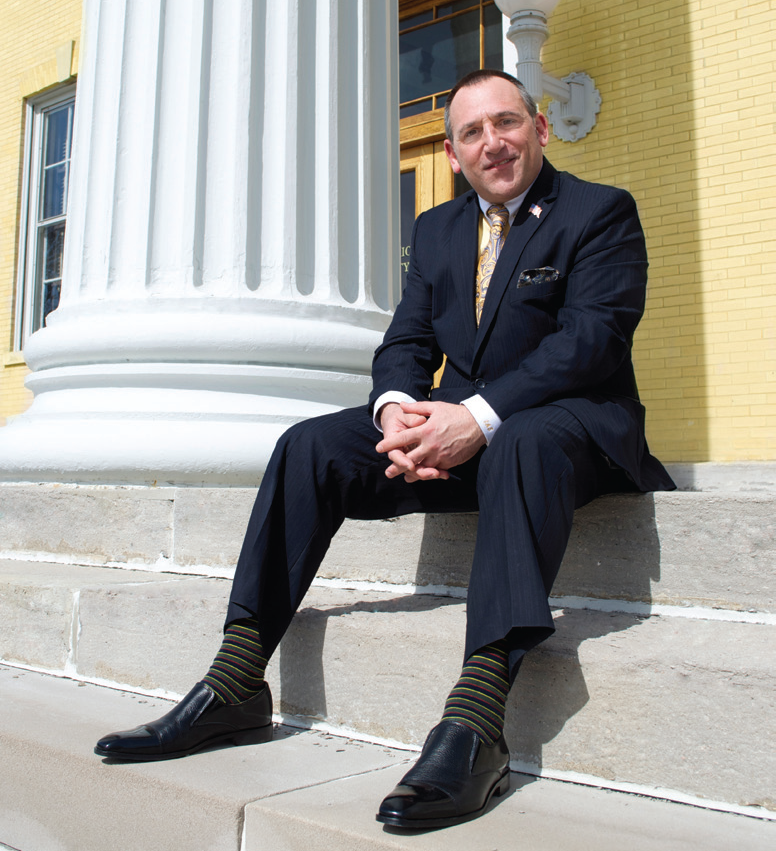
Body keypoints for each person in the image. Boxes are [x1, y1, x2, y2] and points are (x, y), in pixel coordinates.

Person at [95, 69, 674, 829]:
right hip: (460, 437)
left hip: (570, 433)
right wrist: (402, 412)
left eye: (506, 122)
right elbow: (406, 339)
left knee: (524, 437)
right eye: (473, 132)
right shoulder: (437, 229)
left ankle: (475, 721)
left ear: (538, 127)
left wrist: (477, 415)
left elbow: (590, 343)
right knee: (310, 445)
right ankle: (236, 681)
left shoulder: (600, 212)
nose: (492, 141)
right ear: (453, 149)